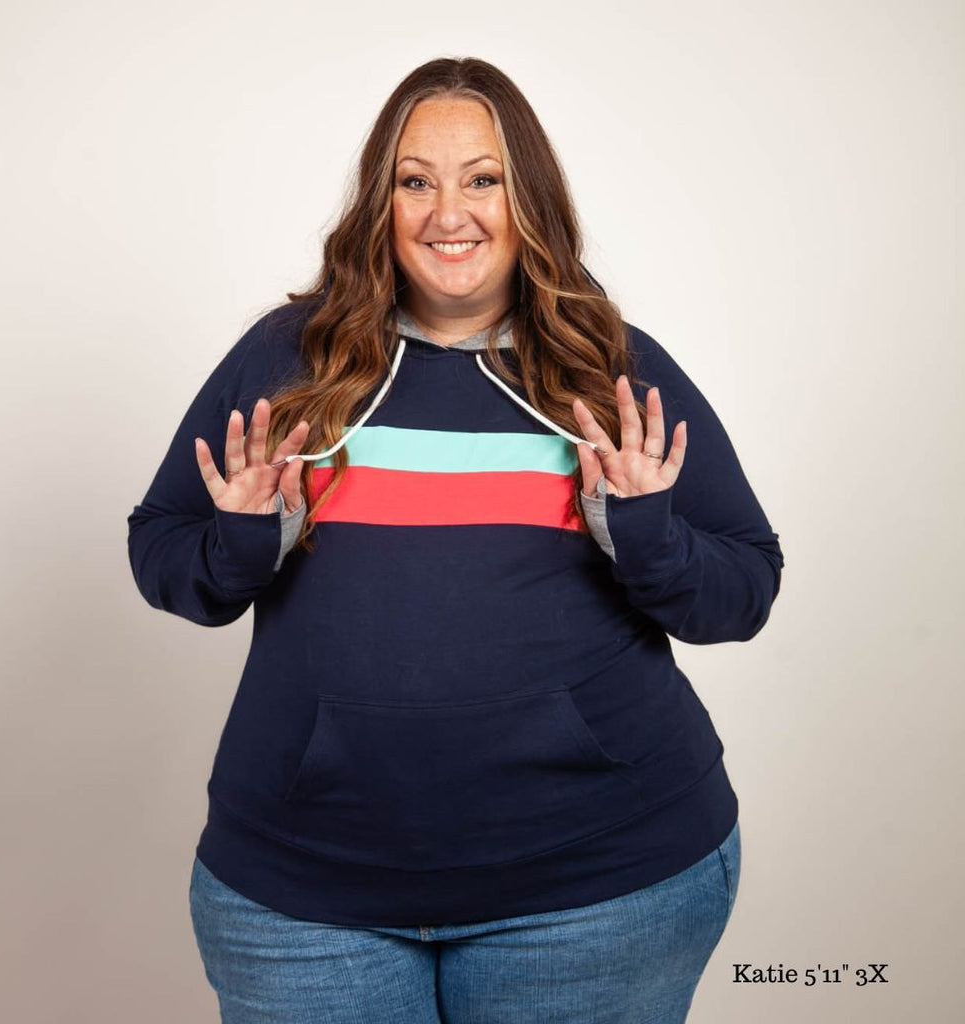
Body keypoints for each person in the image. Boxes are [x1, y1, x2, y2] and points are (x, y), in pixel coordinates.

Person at [127, 56, 782, 1024]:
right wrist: (243, 539)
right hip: (306, 902)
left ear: (529, 202)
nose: (449, 213)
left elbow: (742, 592)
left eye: (483, 179)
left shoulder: (611, 370)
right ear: (378, 205)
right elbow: (164, 554)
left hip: (599, 893)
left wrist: (644, 532)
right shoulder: (285, 357)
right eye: (415, 180)